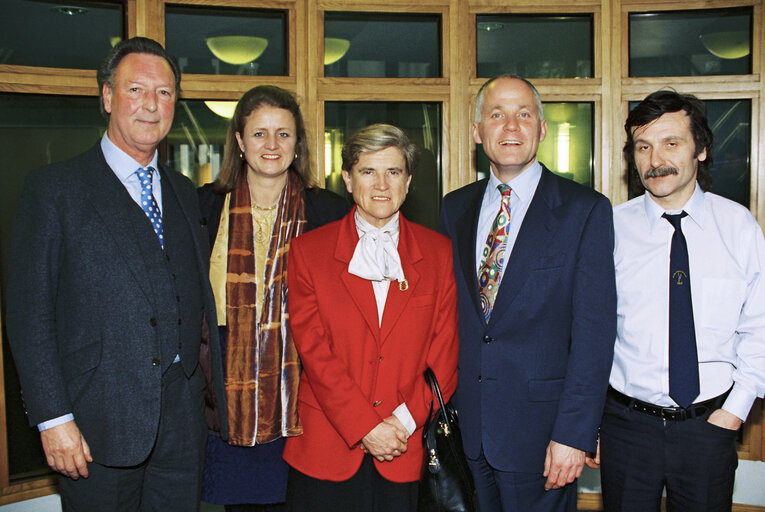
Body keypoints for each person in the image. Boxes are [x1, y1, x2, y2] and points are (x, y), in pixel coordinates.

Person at [5, 37, 228, 511]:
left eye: (165, 93)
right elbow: (30, 316)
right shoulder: (55, 190)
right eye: (136, 90)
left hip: (182, 427)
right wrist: (53, 419)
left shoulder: (184, 191)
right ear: (107, 96)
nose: (151, 105)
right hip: (95, 424)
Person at [439, 75, 617, 512]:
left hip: (543, 436)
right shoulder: (453, 207)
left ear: (541, 128)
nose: (511, 126)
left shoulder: (584, 210)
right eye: (497, 115)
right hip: (469, 430)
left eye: (524, 115)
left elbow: (595, 334)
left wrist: (574, 435)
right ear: (478, 131)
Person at [593, 90, 765, 511]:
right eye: (643, 147)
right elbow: (589, 331)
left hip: (709, 428)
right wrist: (588, 422)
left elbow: (760, 326)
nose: (656, 160)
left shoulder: (738, 227)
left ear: (701, 149)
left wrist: (733, 413)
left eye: (671, 143)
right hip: (625, 428)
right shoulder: (609, 228)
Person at [283, 123, 459, 512]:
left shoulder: (440, 253)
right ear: (347, 179)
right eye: (368, 171)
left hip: (407, 451)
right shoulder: (308, 252)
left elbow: (444, 355)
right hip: (325, 448)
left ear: (409, 182)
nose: (381, 184)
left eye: (393, 172)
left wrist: (399, 425)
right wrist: (365, 426)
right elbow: (314, 352)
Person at [197, 85, 348, 511]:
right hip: (227, 396)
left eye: (283, 134)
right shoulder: (202, 207)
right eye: (260, 133)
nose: (272, 144)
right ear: (240, 142)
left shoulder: (330, 213)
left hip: (305, 391)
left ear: (298, 144)